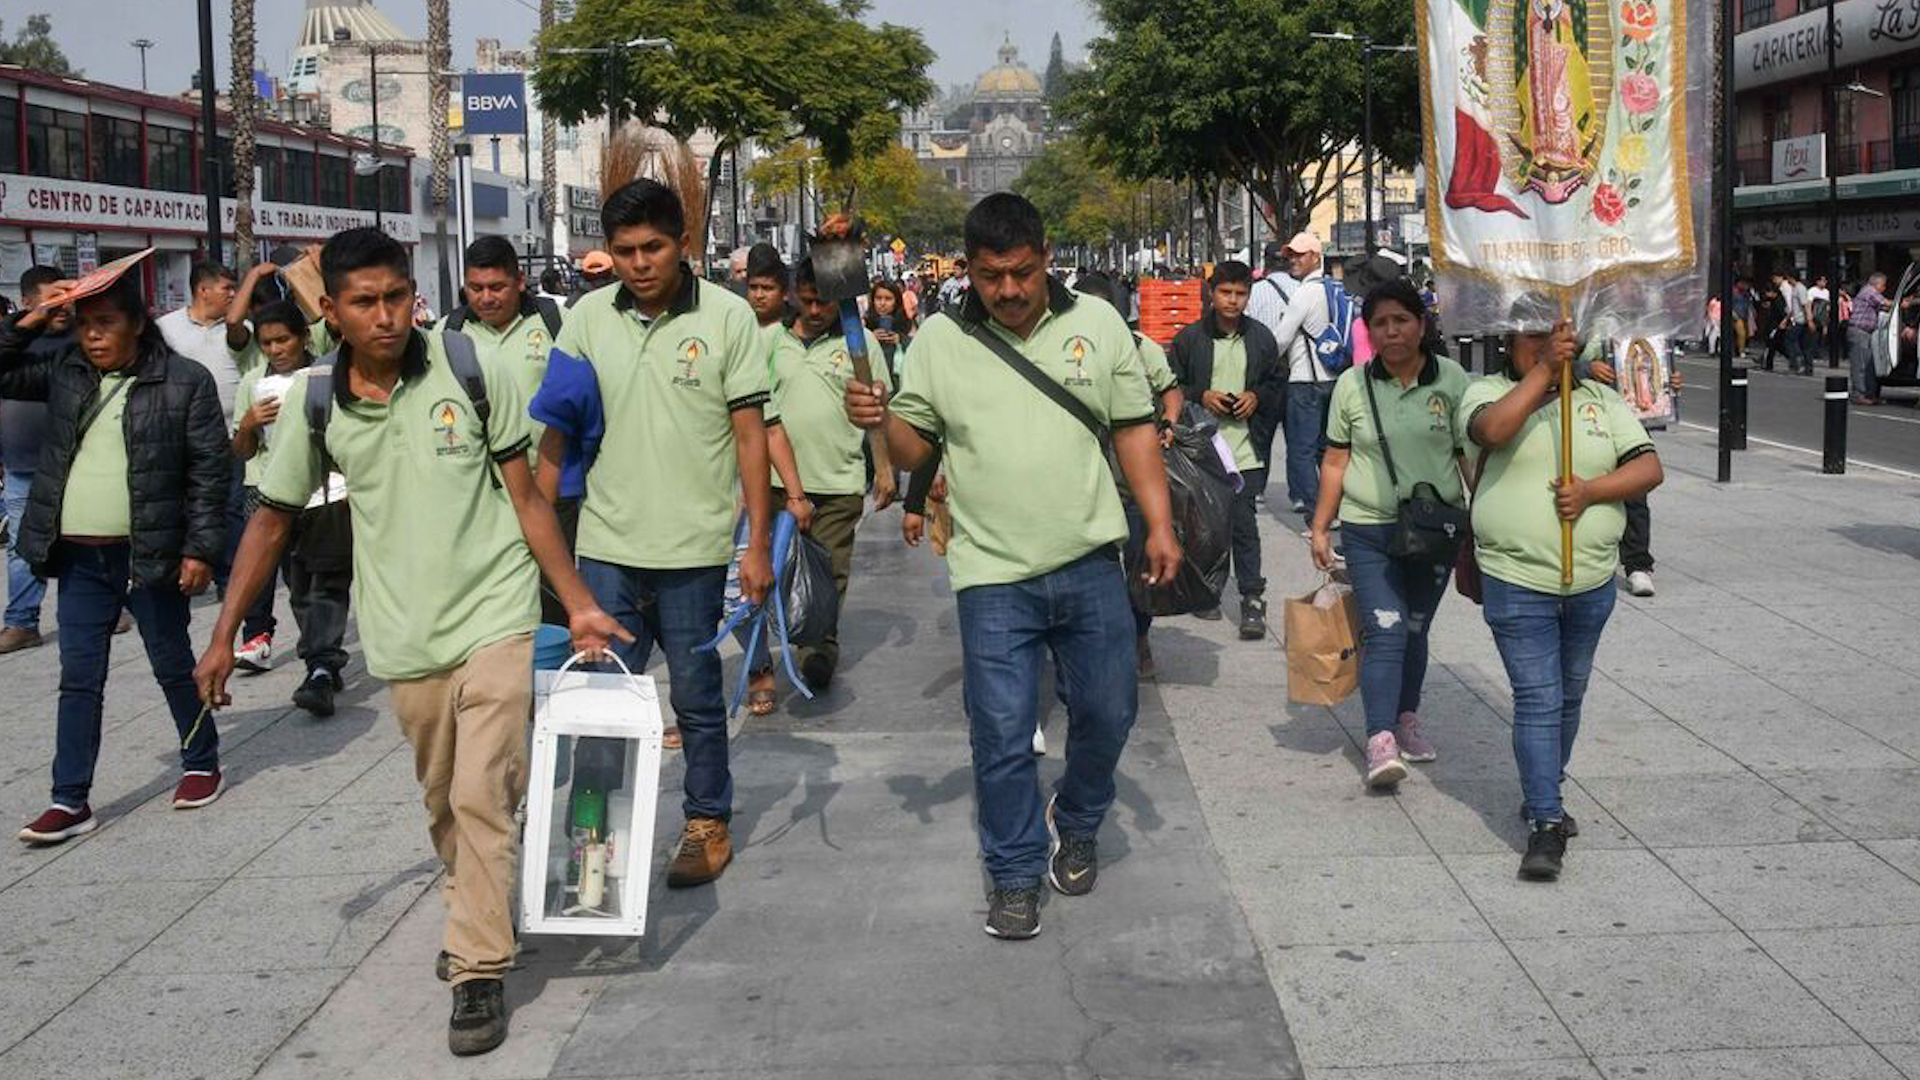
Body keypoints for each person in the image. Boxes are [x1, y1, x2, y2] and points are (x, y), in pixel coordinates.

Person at [195, 226, 625, 1057]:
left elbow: (529, 499)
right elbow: (272, 521)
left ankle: (477, 969)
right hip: (403, 636)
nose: (387, 316)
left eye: (397, 297)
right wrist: (221, 636)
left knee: (480, 794)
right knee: (443, 800)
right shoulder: (316, 401)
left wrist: (575, 602)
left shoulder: (469, 368)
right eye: (366, 302)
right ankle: (475, 908)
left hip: (496, 613)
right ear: (333, 310)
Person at [845, 192, 1181, 941]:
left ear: (1046, 255)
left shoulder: (1096, 326)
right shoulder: (936, 338)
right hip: (992, 574)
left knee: (1108, 710)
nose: (1008, 290)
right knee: (1000, 730)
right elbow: (911, 452)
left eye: (1022, 272)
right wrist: (879, 420)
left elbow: (1132, 430)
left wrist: (1158, 523)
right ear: (968, 270)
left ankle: (1081, 814)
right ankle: (1015, 871)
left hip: (1091, 560)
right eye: (991, 276)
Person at [543, 179, 774, 890]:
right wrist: (536, 541)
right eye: (624, 251)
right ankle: (591, 843)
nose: (639, 263)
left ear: (684, 245)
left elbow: (750, 436)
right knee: (597, 703)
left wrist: (758, 543)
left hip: (695, 552)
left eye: (653, 247)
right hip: (606, 551)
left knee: (698, 699)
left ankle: (706, 822)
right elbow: (555, 435)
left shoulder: (730, 318)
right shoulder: (585, 319)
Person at [5, 270, 231, 844]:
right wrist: (29, 320)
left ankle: (201, 760)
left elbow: (210, 473)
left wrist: (200, 549)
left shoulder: (185, 381)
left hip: (148, 553)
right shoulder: (67, 373)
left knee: (172, 664)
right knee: (79, 678)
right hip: (79, 557)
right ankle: (69, 798)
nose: (93, 337)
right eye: (84, 325)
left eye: (106, 324)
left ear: (138, 322)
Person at [1461, 313, 1664, 882]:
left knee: (1569, 696)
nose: (1548, 345)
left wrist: (1593, 491)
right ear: (1508, 341)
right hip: (1515, 578)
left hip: (1592, 582)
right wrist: (1546, 370)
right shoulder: (1486, 391)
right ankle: (1546, 822)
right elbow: (1492, 431)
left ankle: (1543, 787)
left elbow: (1649, 467)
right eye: (1532, 336)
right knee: (1538, 697)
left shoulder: (1601, 398)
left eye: (1555, 336)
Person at [1310, 277, 1470, 788]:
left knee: (1416, 628)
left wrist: (1485, 520)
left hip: (1435, 529)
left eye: (1401, 320)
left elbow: (1468, 458)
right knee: (1385, 629)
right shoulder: (1351, 386)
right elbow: (1335, 461)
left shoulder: (1454, 381)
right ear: (1369, 331)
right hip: (1368, 530)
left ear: (1421, 325)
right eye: (1380, 323)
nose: (1392, 331)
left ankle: (1406, 719)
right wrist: (1319, 527)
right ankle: (1380, 739)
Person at [760, 257, 893, 697]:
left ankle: (818, 650)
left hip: (838, 483)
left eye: (826, 303)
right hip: (777, 484)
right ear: (795, 293)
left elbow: (880, 411)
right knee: (770, 575)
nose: (816, 311)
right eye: (809, 301)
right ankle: (767, 658)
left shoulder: (862, 345)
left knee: (827, 574)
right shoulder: (769, 342)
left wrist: (885, 467)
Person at [230, 301, 353, 715]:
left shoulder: (328, 374)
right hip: (278, 499)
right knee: (299, 585)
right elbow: (242, 451)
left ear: (302, 337)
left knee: (329, 582)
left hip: (330, 495)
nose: (276, 349)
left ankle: (320, 664)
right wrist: (248, 424)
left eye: (283, 339)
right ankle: (321, 660)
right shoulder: (252, 383)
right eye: (267, 343)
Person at [1077, 269, 1184, 680]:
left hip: (1135, 482)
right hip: (1086, 484)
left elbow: (1171, 392)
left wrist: (1168, 424)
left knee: (1142, 569)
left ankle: (1139, 637)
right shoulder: (1067, 351)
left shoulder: (1142, 349)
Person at [1168, 260, 1283, 638]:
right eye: (1225, 293)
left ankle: (1251, 597)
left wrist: (1256, 396)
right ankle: (1206, 592)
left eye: (1240, 294)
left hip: (1245, 448)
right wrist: (1202, 395)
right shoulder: (1190, 339)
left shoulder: (1262, 339)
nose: (1233, 301)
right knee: (1203, 524)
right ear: (1212, 294)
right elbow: (1171, 387)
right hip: (1202, 450)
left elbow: (1276, 385)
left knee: (1244, 524)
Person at [1, 267, 69, 654]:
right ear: (28, 301)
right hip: (22, 466)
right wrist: (31, 324)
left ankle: (107, 610)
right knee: (20, 546)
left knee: (84, 539)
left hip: (71, 463)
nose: (62, 307)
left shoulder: (80, 342)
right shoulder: (17, 342)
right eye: (52, 298)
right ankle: (22, 622)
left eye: (66, 298)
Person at [1271, 232, 1341, 518]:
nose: (1293, 260)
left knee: (1302, 449)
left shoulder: (1305, 292)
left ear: (1316, 256)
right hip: (1332, 377)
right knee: (1327, 450)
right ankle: (1332, 508)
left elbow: (1281, 339)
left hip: (1304, 380)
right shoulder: (1332, 289)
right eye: (1290, 255)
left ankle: (1316, 512)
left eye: (1300, 255)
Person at [1848, 272, 1890, 406]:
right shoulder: (1869, 291)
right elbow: (1885, 303)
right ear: (1877, 284)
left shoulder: (1868, 292)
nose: (1884, 289)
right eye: (1883, 286)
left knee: (1868, 365)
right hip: (1859, 331)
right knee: (1860, 365)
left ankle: (1869, 393)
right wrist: (1902, 302)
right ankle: (1858, 394)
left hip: (1865, 332)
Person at [867, 279, 913, 382]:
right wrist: (870, 337)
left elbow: (917, 348)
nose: (882, 303)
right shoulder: (864, 324)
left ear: (896, 301)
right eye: (878, 298)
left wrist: (901, 339)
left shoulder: (907, 323)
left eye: (888, 299)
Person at [1807, 274, 1832, 363]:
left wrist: (1827, 318)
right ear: (1817, 282)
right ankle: (1813, 354)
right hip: (1815, 315)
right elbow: (1809, 304)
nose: (1824, 283)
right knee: (1814, 336)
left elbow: (1827, 306)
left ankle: (1819, 354)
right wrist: (1809, 317)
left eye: (1825, 281)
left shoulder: (1827, 292)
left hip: (1823, 316)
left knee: (1822, 336)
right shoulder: (1812, 291)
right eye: (1822, 280)